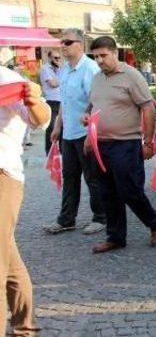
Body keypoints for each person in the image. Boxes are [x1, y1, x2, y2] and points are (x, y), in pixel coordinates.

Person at [83, 37, 156, 253]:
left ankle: (154, 222)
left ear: (114, 52)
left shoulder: (132, 76)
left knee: (129, 190)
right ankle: (116, 237)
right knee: (107, 192)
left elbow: (148, 108)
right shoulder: (97, 78)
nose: (99, 60)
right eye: (96, 56)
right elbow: (94, 104)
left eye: (103, 55)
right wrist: (88, 132)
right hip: (101, 145)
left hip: (125, 143)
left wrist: (148, 142)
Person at [0, 66, 50, 337]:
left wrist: (34, 100)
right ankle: (24, 326)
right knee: (7, 255)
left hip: (3, 176)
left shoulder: (7, 80)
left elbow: (40, 119)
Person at [44, 28, 106, 236]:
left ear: (80, 44)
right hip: (68, 133)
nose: (63, 46)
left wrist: (91, 133)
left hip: (86, 133)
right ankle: (66, 219)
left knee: (92, 177)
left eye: (68, 42)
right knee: (69, 177)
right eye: (62, 42)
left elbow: (96, 101)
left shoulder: (90, 68)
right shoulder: (64, 69)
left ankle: (101, 217)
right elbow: (65, 101)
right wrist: (57, 126)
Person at [40, 50, 62, 155]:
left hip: (62, 100)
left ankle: (61, 149)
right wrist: (63, 77)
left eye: (59, 58)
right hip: (52, 100)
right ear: (49, 58)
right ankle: (49, 151)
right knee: (51, 126)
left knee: (62, 125)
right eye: (55, 58)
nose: (57, 60)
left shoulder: (60, 69)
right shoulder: (45, 68)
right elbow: (52, 83)